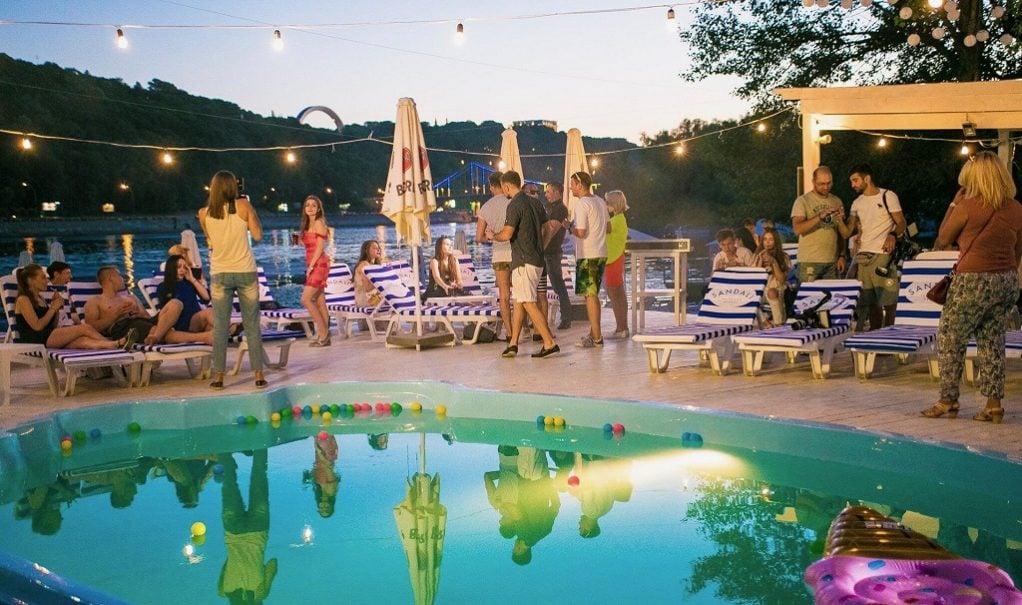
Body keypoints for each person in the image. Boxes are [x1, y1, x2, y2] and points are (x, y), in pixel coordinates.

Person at [924, 151, 1022, 424]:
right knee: (992, 341)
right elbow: (1018, 249)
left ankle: (948, 400)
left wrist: (953, 205)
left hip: (972, 282)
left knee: (950, 338)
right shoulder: (1016, 208)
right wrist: (1006, 274)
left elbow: (943, 238)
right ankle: (993, 405)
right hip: (1006, 280)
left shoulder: (967, 206)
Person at [199, 170, 266, 390]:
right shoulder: (243, 206)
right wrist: (251, 212)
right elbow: (258, 235)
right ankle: (258, 375)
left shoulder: (203, 213)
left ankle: (218, 377)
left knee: (220, 325)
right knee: (252, 323)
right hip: (245, 270)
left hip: (220, 272)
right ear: (233, 187)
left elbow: (210, 241)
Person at [489, 170, 559, 358]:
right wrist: (541, 246)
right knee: (520, 301)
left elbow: (507, 234)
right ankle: (513, 343)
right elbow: (548, 227)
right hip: (537, 260)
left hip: (523, 261)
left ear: (506, 186)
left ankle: (549, 342)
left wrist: (493, 236)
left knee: (527, 301)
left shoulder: (514, 205)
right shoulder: (536, 203)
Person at [844, 163, 907, 331]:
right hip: (864, 256)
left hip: (883, 254)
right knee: (870, 302)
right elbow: (848, 231)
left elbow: (901, 222)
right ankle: (875, 334)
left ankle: (890, 334)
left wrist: (893, 234)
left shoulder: (888, 196)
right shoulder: (856, 203)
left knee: (889, 300)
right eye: (851, 181)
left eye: (855, 180)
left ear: (867, 178)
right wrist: (839, 221)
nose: (853, 185)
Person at [14, 264, 131, 350]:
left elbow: (52, 326)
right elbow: (37, 326)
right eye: (43, 278)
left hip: (48, 336)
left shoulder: (41, 299)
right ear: (30, 280)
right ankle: (117, 345)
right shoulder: (23, 299)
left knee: (82, 341)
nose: (47, 280)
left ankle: (112, 346)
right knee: (84, 328)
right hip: (33, 339)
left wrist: (57, 310)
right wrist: (52, 308)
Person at [217, 450, 277, 603]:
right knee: (228, 482)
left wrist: (267, 586)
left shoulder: (260, 594)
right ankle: (223, 449)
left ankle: (259, 443)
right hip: (233, 533)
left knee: (259, 477)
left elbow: (273, 564)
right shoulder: (223, 591)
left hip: (258, 530)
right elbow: (226, 565)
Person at [85, 266, 198, 346]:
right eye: (119, 276)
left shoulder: (131, 298)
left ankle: (156, 336)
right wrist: (115, 315)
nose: (123, 279)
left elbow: (147, 317)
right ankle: (202, 337)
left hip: (144, 323)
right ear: (110, 278)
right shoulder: (95, 301)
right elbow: (91, 328)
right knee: (160, 330)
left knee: (176, 303)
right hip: (124, 328)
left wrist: (139, 314)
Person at [567, 171, 609, 348]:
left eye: (572, 184)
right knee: (592, 294)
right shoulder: (600, 201)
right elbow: (608, 228)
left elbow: (581, 232)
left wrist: (569, 227)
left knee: (590, 295)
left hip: (588, 253)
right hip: (601, 251)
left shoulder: (582, 204)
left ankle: (597, 337)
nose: (570, 188)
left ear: (579, 185)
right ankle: (593, 333)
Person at [791, 165, 850, 282]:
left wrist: (842, 255)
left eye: (829, 183)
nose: (826, 187)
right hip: (809, 261)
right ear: (813, 182)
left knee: (832, 293)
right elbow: (797, 229)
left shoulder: (836, 201)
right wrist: (819, 217)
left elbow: (840, 233)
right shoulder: (803, 201)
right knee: (809, 293)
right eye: (821, 184)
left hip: (832, 261)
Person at [476, 171, 513, 340]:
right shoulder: (512, 201)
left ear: (491, 186)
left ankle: (509, 332)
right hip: (516, 253)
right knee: (520, 295)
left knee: (504, 296)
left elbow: (479, 238)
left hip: (499, 255)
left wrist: (491, 237)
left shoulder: (486, 207)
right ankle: (523, 329)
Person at [155, 254, 216, 345]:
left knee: (211, 321)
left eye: (185, 267)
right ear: (171, 268)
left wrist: (192, 279)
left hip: (195, 321)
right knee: (209, 313)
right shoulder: (163, 287)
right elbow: (164, 311)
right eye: (178, 267)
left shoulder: (190, 283)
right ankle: (230, 329)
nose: (182, 270)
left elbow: (206, 298)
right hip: (179, 323)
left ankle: (228, 330)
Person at [299, 195, 332, 347]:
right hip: (314, 263)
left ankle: (323, 333)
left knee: (306, 299)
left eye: (313, 205)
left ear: (318, 209)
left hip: (318, 264)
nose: (310, 208)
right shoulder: (308, 224)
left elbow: (320, 247)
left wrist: (311, 266)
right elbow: (309, 244)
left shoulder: (318, 222)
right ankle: (324, 337)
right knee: (319, 301)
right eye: (307, 205)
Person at [542, 182, 572, 330]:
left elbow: (552, 228)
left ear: (556, 192)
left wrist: (542, 246)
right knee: (549, 285)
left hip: (552, 251)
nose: (546, 194)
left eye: (548, 191)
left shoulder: (560, 209)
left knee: (558, 284)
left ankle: (566, 316)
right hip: (547, 251)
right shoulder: (548, 207)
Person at [752, 227, 792, 327]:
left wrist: (774, 262)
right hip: (761, 289)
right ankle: (766, 322)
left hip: (776, 287)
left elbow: (782, 280)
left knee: (772, 292)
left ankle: (779, 323)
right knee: (750, 296)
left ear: (776, 241)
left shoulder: (783, 257)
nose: (767, 242)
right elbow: (754, 278)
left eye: (771, 239)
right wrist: (760, 262)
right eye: (765, 239)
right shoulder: (757, 256)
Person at [604, 190, 630, 339]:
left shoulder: (616, 220)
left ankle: (621, 328)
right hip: (616, 258)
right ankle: (622, 327)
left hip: (613, 259)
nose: (606, 205)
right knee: (618, 292)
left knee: (614, 293)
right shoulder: (620, 219)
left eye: (607, 202)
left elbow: (603, 228)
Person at [423, 235, 466, 300]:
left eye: (451, 245)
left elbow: (459, 280)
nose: (450, 247)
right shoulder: (435, 261)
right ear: (440, 247)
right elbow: (437, 278)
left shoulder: (454, 261)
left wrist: (458, 285)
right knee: (448, 293)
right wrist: (445, 286)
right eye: (447, 244)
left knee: (467, 294)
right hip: (435, 291)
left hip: (449, 289)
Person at [46, 261, 79, 326]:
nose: (71, 276)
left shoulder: (67, 289)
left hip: (67, 320)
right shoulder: (45, 290)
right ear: (56, 274)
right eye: (67, 273)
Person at [354, 240, 383, 307]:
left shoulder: (374, 265)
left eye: (378, 247)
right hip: (366, 300)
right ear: (366, 251)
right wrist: (384, 281)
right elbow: (368, 288)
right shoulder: (364, 265)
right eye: (374, 248)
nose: (378, 249)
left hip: (374, 297)